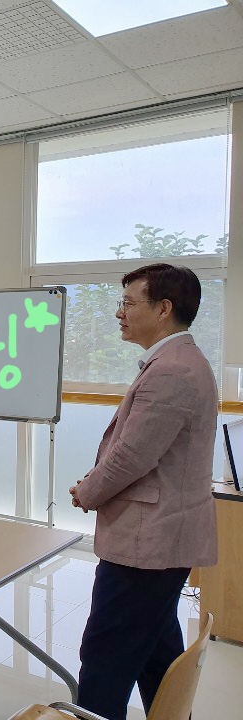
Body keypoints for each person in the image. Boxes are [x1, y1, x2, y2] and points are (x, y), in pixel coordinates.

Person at [69, 264, 218, 720]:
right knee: (158, 651)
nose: (120, 313)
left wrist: (88, 491)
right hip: (162, 539)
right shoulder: (179, 361)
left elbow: (132, 457)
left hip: (146, 544)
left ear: (164, 309)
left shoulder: (172, 370)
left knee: (105, 658)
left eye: (129, 304)